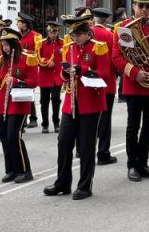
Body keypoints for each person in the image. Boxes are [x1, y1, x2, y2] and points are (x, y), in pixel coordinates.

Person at [43, 15, 109, 200]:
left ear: (88, 33)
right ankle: (62, 183)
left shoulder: (98, 47)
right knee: (63, 141)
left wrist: (84, 69)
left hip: (91, 101)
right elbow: (63, 76)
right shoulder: (68, 48)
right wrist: (65, 73)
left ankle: (85, 186)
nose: (75, 38)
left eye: (78, 34)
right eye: (73, 34)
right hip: (71, 100)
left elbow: (105, 74)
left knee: (86, 145)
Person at [112, 0, 149, 182]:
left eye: (148, 6)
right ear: (133, 7)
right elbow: (116, 57)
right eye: (140, 6)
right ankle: (132, 165)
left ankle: (143, 163)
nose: (144, 10)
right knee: (132, 127)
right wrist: (135, 73)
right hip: (134, 85)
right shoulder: (122, 28)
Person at [0, 27, 37, 183]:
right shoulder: (2, 60)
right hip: (2, 102)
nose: (5, 48)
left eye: (7, 45)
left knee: (13, 137)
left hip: (18, 103)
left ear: (15, 44)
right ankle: (10, 169)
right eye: (3, 46)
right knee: (4, 137)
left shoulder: (27, 59)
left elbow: (33, 82)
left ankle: (24, 170)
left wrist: (16, 81)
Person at [89, 8, 118, 165]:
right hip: (107, 83)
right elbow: (115, 58)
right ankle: (103, 153)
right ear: (106, 20)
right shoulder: (110, 35)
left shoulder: (87, 33)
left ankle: (86, 151)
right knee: (105, 120)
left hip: (89, 82)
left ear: (94, 19)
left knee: (90, 118)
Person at [16, 12, 42, 130]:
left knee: (29, 93)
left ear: (25, 24)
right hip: (19, 67)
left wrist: (27, 52)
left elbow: (39, 53)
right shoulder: (16, 36)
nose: (17, 24)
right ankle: (23, 119)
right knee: (20, 93)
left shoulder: (36, 36)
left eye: (19, 22)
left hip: (30, 67)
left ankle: (33, 118)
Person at [37, 19, 63, 133]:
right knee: (44, 101)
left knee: (56, 99)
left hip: (57, 77)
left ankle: (56, 122)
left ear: (58, 32)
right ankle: (45, 124)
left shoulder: (63, 43)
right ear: (48, 32)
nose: (53, 34)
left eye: (55, 32)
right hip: (45, 76)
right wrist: (46, 62)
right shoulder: (41, 43)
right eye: (51, 32)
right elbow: (36, 59)